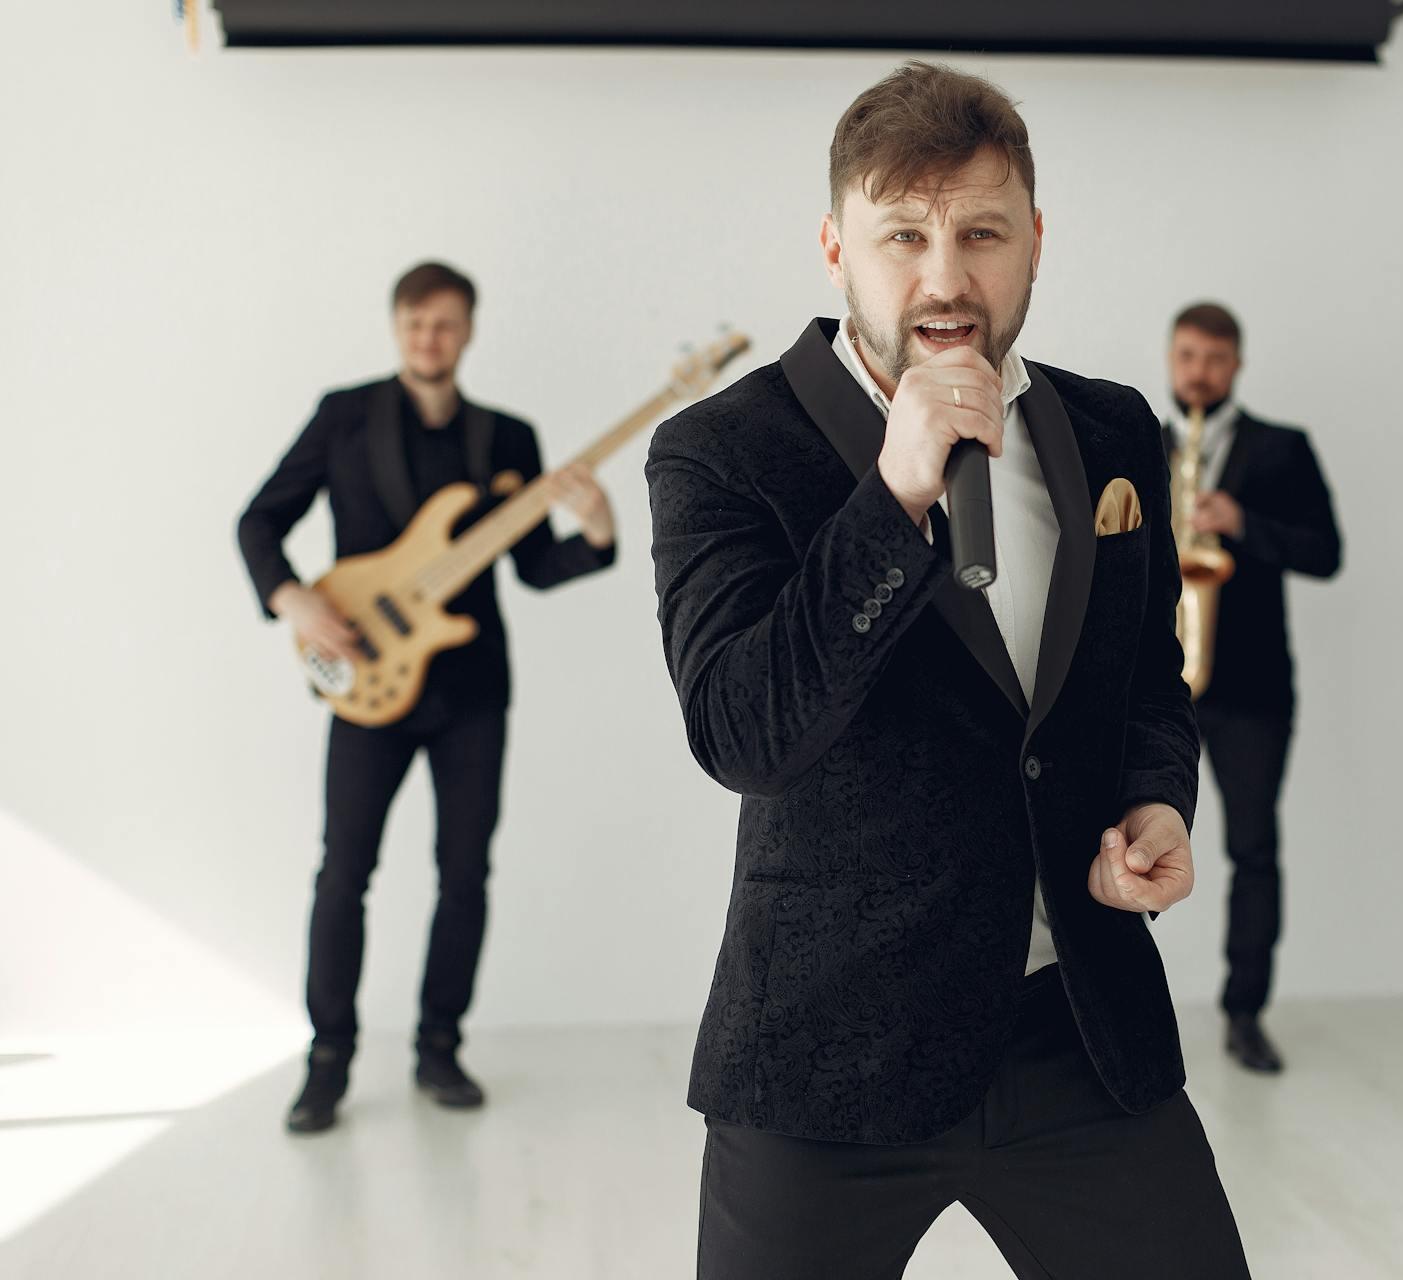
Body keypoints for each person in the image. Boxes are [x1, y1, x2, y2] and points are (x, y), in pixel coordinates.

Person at [647, 62, 1251, 1279]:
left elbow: (1144, 685)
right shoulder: (721, 450)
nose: (945, 276)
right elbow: (740, 729)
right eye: (903, 235)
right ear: (835, 247)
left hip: (1074, 1027)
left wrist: (1155, 801)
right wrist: (895, 492)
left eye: (983, 233)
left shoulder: (1114, 428)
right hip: (826, 1054)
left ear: (1037, 242)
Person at [236, 261, 618, 1134]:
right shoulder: (345, 417)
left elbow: (533, 568)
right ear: (395, 327)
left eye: (444, 324)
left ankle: (438, 1047)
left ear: (468, 331)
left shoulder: (506, 439)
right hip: (369, 686)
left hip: (472, 690)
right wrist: (292, 597)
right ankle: (327, 1057)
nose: (428, 338)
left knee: (465, 872)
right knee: (344, 871)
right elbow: (259, 521)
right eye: (414, 322)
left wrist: (595, 534)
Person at [1164, 301, 1343, 1074]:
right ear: (1171, 358)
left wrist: (1241, 521)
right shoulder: (1137, 440)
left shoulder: (1281, 449)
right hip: (1153, 682)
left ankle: (1245, 1014)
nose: (1198, 372)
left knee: (1253, 848)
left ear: (1236, 365)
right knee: (1104, 842)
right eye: (1187, 356)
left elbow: (1326, 552)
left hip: (1252, 686)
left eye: (1214, 359)